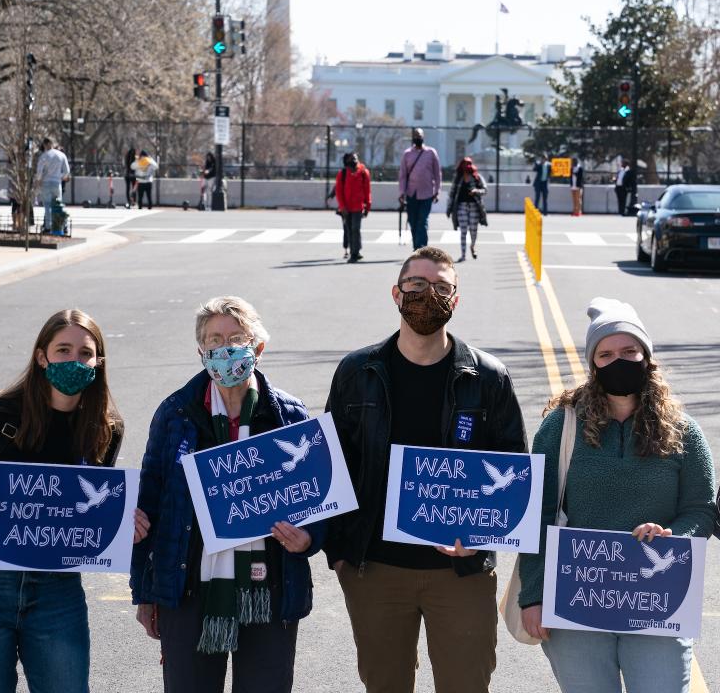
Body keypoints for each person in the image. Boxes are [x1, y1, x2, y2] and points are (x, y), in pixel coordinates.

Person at [325, 245, 527, 693]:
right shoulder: (358, 372)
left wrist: (482, 540)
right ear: (396, 293)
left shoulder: (488, 377)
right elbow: (332, 463)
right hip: (375, 569)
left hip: (461, 571)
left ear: (455, 300)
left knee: (465, 685)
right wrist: (338, 550)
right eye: (416, 285)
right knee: (385, 685)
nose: (427, 295)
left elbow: (513, 469)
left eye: (440, 288)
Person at [0, 309, 148, 693]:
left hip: (55, 589)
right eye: (63, 350)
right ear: (42, 357)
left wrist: (121, 525)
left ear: (98, 362)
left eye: (84, 353)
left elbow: (88, 511)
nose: (73, 361)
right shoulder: (0, 417)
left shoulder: (106, 428)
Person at [519, 298, 716, 693]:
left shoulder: (684, 431)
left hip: (657, 600)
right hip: (577, 599)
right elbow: (536, 515)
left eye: (629, 351)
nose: (618, 361)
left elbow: (701, 509)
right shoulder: (562, 426)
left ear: (647, 357)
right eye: (606, 354)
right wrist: (533, 595)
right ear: (593, 364)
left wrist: (673, 536)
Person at [131, 296, 326, 693]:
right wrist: (145, 592)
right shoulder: (175, 414)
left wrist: (309, 539)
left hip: (270, 589)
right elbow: (150, 501)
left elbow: (318, 499)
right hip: (188, 590)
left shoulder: (289, 414)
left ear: (258, 348)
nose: (225, 349)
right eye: (214, 340)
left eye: (236, 338)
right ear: (201, 351)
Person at [398, 128, 441, 250]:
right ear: (413, 137)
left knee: (422, 221)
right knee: (413, 221)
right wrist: (401, 193)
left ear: (423, 137)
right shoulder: (407, 154)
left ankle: (421, 248)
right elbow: (402, 175)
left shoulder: (431, 153)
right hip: (411, 193)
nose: (418, 137)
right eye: (416, 135)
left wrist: (437, 191)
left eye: (420, 135)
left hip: (427, 193)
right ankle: (416, 246)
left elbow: (437, 174)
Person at [446, 156, 487, 261]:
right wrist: (449, 208)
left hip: (474, 206)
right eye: (464, 164)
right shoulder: (458, 178)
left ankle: (472, 246)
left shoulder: (477, 177)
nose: (466, 166)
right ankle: (463, 254)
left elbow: (485, 189)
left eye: (468, 164)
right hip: (461, 206)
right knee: (463, 230)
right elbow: (452, 193)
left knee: (473, 230)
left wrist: (476, 191)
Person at [335, 152, 371, 263]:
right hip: (346, 208)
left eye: (355, 159)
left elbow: (367, 191)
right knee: (349, 230)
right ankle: (355, 250)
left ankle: (355, 253)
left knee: (355, 228)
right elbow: (339, 191)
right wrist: (342, 207)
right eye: (351, 159)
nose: (354, 161)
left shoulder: (364, 173)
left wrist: (367, 206)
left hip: (358, 207)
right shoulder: (343, 174)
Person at [36, 138, 71, 232]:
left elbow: (39, 172)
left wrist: (39, 180)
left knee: (47, 206)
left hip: (46, 183)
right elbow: (67, 171)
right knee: (58, 204)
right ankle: (63, 226)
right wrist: (60, 177)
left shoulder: (44, 156)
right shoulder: (61, 155)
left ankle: (48, 227)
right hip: (56, 183)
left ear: (45, 145)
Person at [326, 183, 350, 258]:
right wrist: (331, 196)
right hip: (344, 209)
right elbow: (337, 187)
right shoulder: (343, 176)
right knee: (346, 229)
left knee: (354, 228)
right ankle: (346, 249)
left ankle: (354, 249)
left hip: (355, 207)